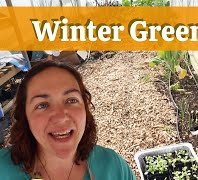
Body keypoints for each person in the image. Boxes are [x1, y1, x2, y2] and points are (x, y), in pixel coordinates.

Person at [0, 61, 136, 180]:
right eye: (42, 105)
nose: (61, 118)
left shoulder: (113, 167)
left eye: (71, 100)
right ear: (25, 117)